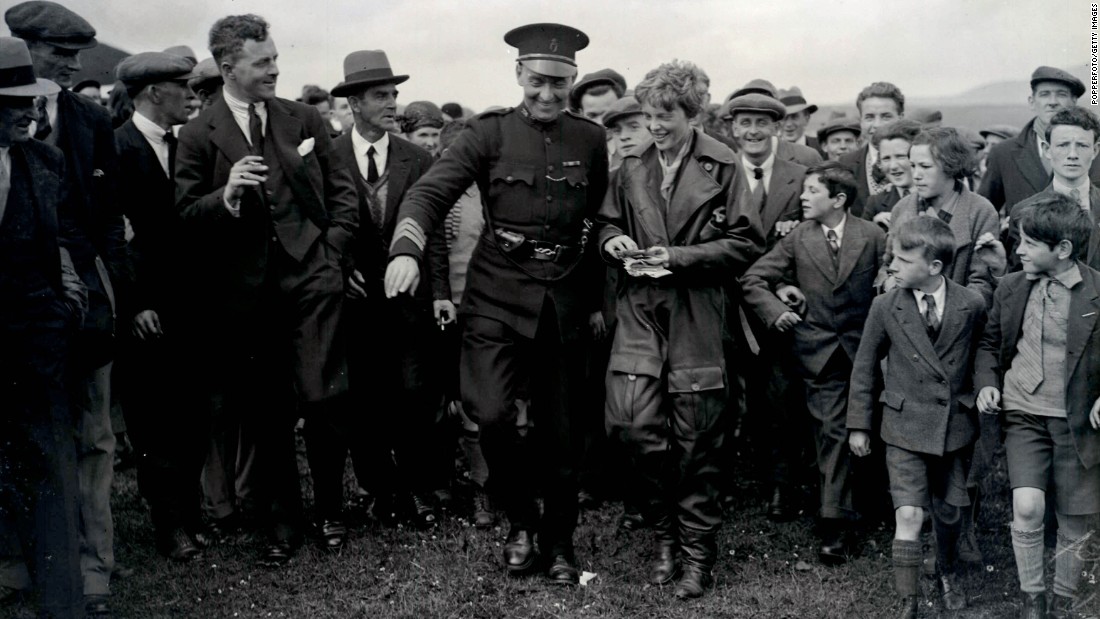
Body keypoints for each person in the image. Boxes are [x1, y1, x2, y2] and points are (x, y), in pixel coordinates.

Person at [383, 23, 609, 585]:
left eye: (560, 84)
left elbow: (600, 212)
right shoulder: (487, 134)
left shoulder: (590, 139)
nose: (548, 95)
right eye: (537, 82)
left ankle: (558, 543)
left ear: (573, 81)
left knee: (560, 434)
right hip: (495, 296)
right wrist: (406, 248)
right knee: (487, 413)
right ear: (519, 75)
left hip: (562, 300)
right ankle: (520, 521)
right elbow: (429, 191)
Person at [174, 13, 358, 565]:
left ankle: (330, 510)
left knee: (323, 397)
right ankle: (283, 523)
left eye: (276, 58)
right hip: (247, 294)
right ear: (228, 68)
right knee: (266, 412)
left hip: (312, 278)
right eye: (263, 62)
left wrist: (331, 253)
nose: (276, 69)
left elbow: (342, 192)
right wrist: (225, 197)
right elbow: (184, 215)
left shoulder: (301, 118)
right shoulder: (197, 133)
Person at [598, 59, 763, 598]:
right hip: (641, 310)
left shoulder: (723, 165)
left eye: (665, 115)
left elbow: (745, 243)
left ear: (691, 113)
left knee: (697, 440)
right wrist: (613, 242)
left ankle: (695, 554)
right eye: (648, 115)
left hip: (697, 312)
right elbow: (606, 221)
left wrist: (680, 256)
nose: (655, 125)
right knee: (631, 425)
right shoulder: (632, 165)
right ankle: (663, 530)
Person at [6, 4, 124, 616]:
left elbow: (107, 219)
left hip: (86, 299)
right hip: (23, 307)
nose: (71, 65)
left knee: (93, 432)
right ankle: (20, 564)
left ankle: (93, 567)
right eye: (59, 52)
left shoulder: (89, 117)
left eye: (78, 55)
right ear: (23, 46)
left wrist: (108, 296)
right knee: (29, 434)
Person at [741, 162, 887, 565]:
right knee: (834, 433)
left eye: (811, 191)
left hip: (864, 352)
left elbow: (887, 283)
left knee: (859, 431)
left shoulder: (873, 236)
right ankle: (834, 524)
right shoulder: (799, 238)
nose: (802, 197)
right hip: (815, 352)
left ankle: (868, 506)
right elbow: (753, 279)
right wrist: (776, 309)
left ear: (838, 200)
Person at [331, 50, 449, 540]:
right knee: (363, 401)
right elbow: (319, 226)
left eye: (394, 94)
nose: (392, 103)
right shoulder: (328, 156)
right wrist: (340, 272)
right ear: (354, 103)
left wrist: (440, 289)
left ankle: (419, 489)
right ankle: (381, 491)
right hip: (354, 306)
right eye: (381, 95)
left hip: (409, 304)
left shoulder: (416, 157)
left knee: (414, 394)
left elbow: (434, 230)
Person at [848, 216, 987, 617]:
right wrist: (859, 424)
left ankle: (947, 570)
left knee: (949, 512)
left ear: (935, 267)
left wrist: (983, 392)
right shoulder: (885, 305)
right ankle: (907, 599)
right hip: (904, 425)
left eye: (903, 260)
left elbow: (982, 355)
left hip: (953, 429)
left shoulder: (970, 303)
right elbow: (865, 366)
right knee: (908, 512)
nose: (893, 266)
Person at [974, 195, 1100, 619]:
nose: (1018, 251)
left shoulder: (1097, 292)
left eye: (1028, 243)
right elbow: (990, 344)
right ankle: (1033, 597)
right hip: (1023, 411)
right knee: (1027, 504)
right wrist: (988, 384)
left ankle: (1064, 596)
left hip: (1077, 419)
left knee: (1074, 514)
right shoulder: (1011, 287)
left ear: (1062, 249)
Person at [0, 35, 86, 619]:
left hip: (35, 346)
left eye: (34, 100)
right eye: (16, 102)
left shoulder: (46, 161)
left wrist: (56, 315)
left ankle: (63, 606)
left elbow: (59, 243)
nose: (32, 111)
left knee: (51, 472)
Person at [112, 51, 204, 561]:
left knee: (190, 414)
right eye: (182, 88)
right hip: (148, 310)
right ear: (152, 93)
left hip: (192, 302)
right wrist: (137, 303)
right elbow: (118, 238)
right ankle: (168, 524)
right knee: (154, 419)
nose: (192, 96)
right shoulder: (119, 148)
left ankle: (189, 515)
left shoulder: (187, 144)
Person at [887, 127, 1003, 306]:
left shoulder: (981, 211)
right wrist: (889, 284)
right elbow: (887, 266)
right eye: (913, 166)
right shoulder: (901, 208)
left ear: (951, 166)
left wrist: (949, 314)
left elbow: (982, 282)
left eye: (925, 166)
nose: (916, 175)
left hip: (959, 322)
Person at [980, 67, 1100, 213]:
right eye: (1044, 94)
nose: (1052, 102)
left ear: (1074, 101)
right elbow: (983, 212)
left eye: (1061, 94)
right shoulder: (1003, 153)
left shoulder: (1095, 148)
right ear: (1031, 101)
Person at [1006, 107, 1100, 272]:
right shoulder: (1023, 211)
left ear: (1095, 150)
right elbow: (1019, 279)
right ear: (1047, 150)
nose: (1072, 154)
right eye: (1063, 145)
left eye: (1082, 145)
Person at [839, 82, 906, 216]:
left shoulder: (918, 159)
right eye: (869, 117)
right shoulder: (846, 163)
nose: (877, 125)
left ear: (901, 118)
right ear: (861, 121)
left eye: (886, 116)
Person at [862, 119, 922, 228]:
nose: (893, 166)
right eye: (886, 158)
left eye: (900, 156)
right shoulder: (876, 203)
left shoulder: (936, 195)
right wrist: (874, 227)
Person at [777, 86, 821, 155]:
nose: (789, 124)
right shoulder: (770, 150)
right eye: (784, 118)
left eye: (794, 117)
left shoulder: (821, 148)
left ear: (806, 119)